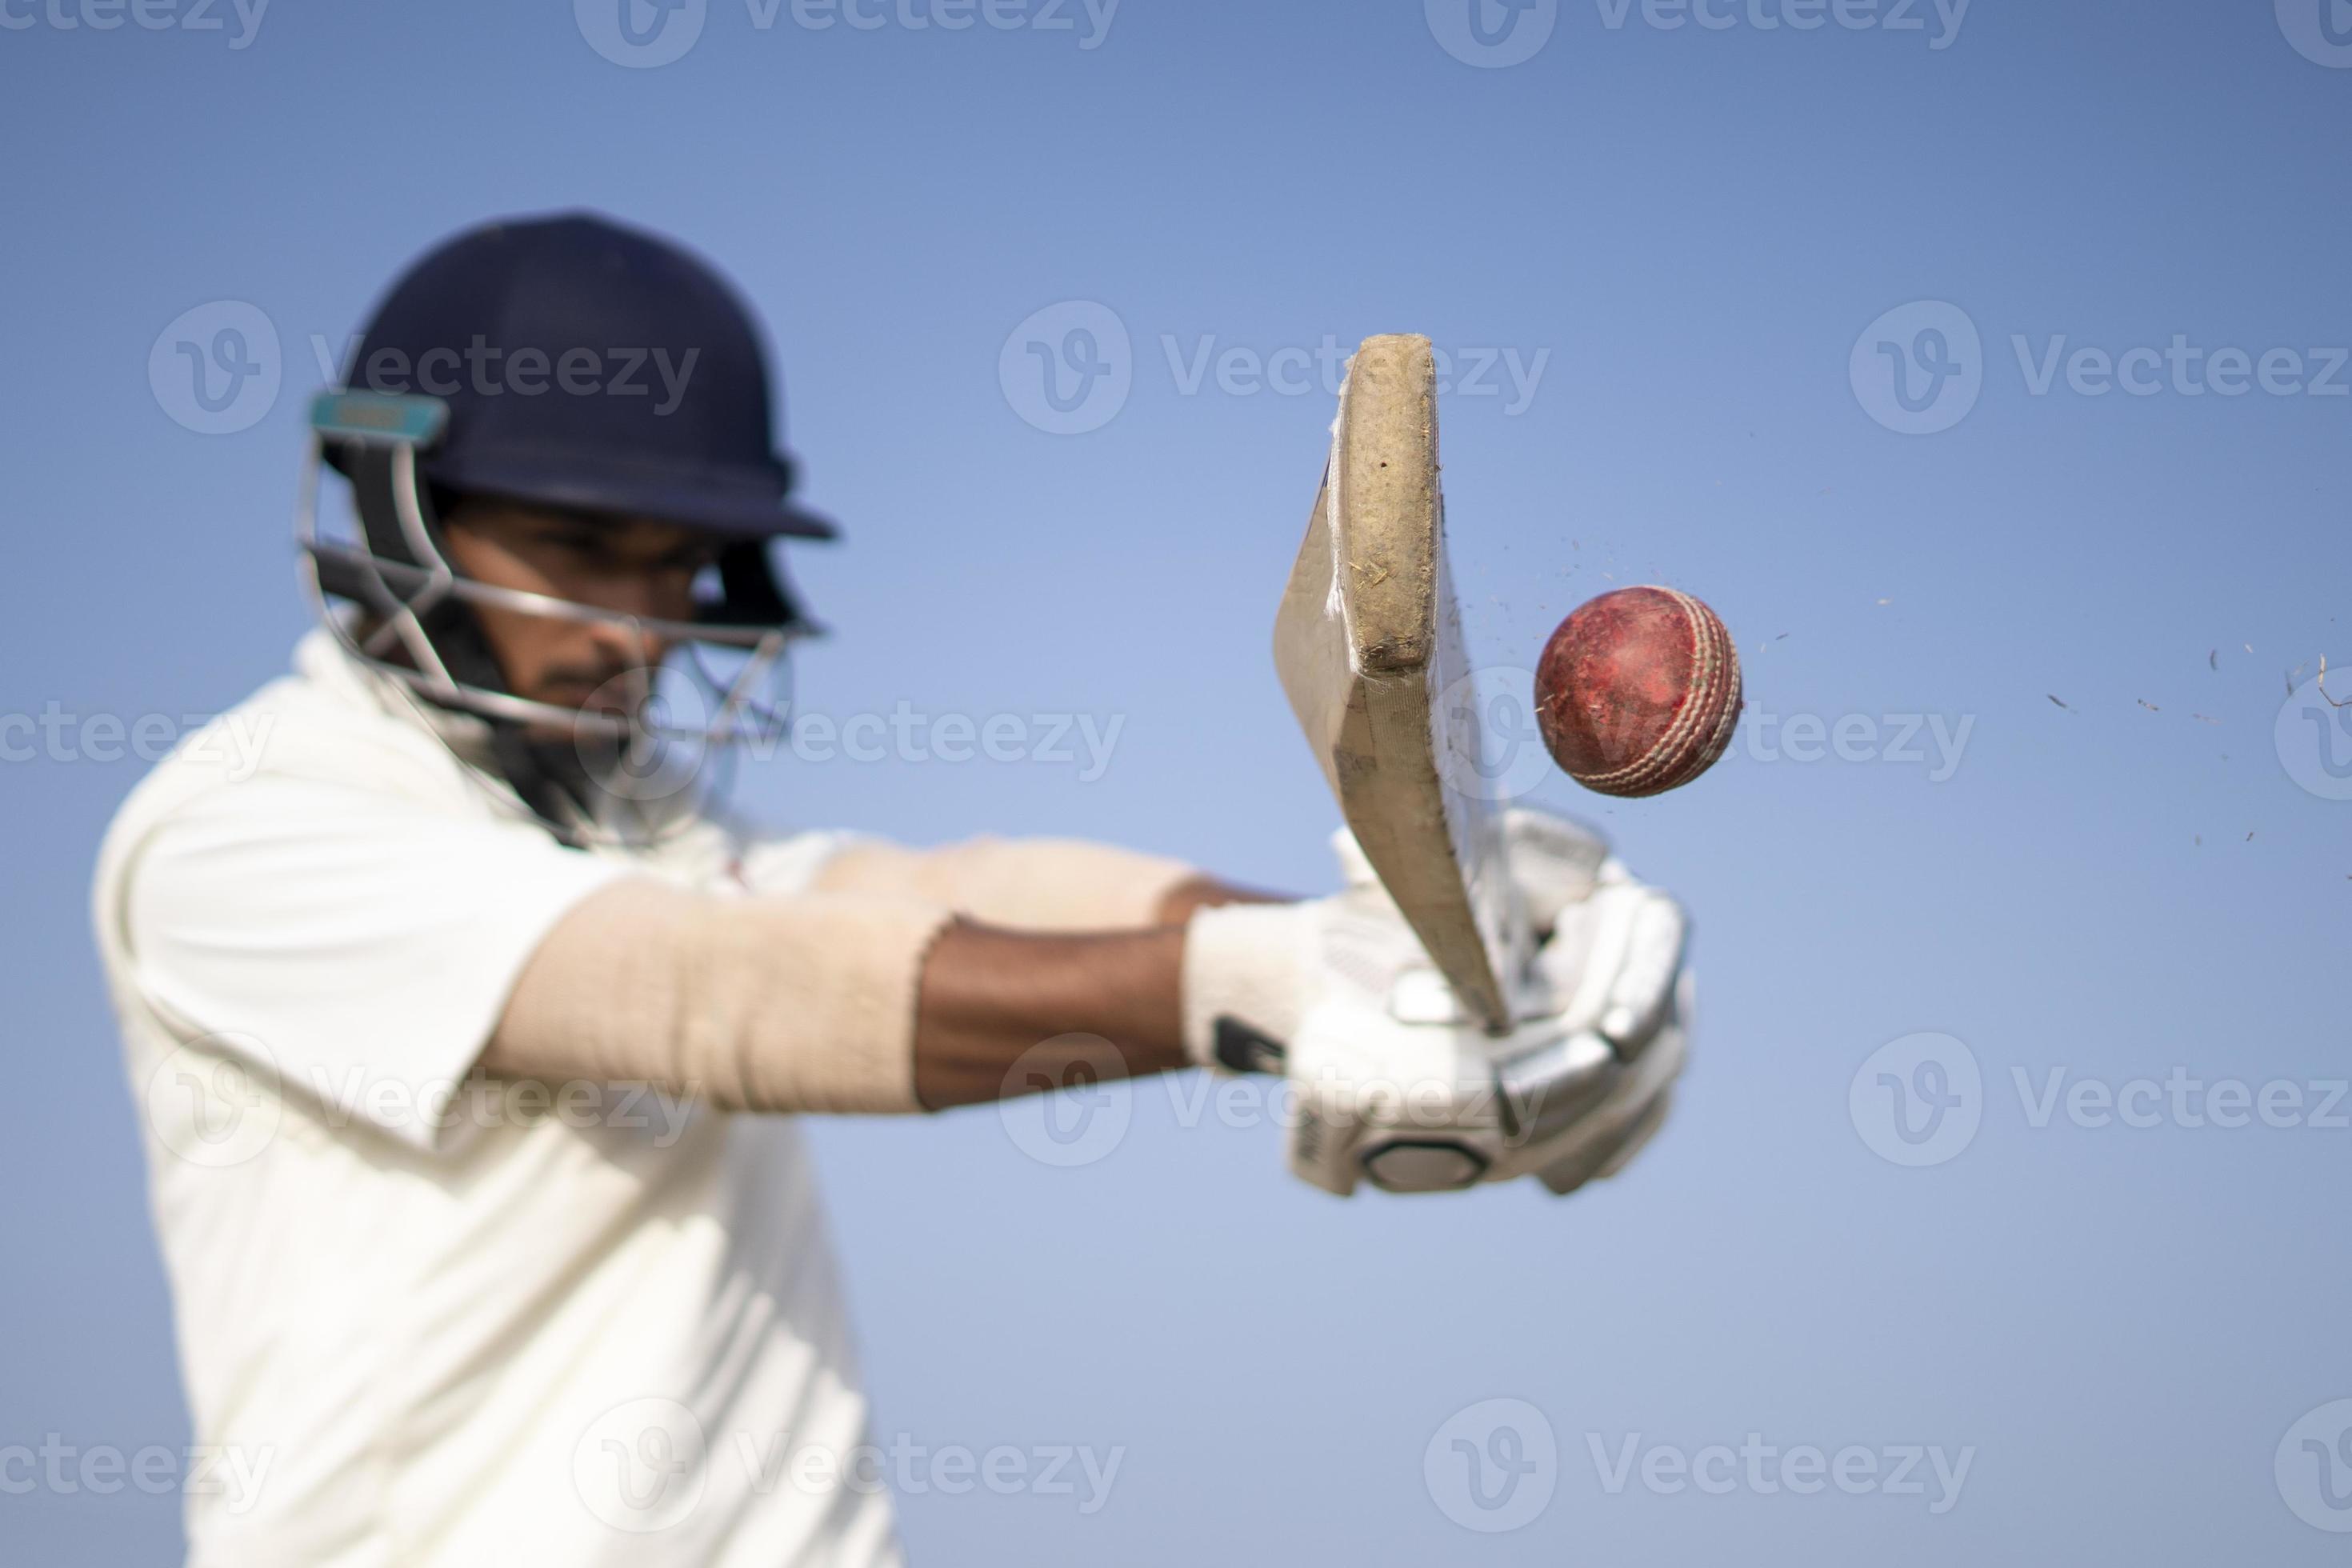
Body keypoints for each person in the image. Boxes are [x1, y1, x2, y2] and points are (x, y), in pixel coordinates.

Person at [92, 210, 1690, 1566]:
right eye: (578, 545)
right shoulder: (249, 828)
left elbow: (941, 891)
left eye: (680, 562)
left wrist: (1356, 939)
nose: (638, 626)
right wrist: (1244, 990)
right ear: (393, 509)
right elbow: (704, 992)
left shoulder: (633, 818)